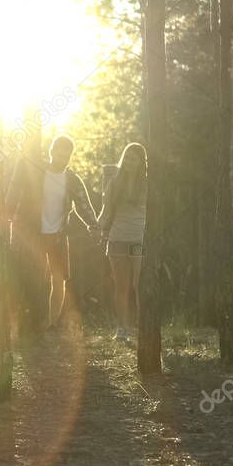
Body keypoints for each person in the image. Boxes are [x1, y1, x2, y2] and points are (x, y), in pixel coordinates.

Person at [7, 135, 100, 333]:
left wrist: (95, 226)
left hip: (58, 235)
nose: (63, 156)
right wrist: (9, 214)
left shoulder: (72, 179)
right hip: (34, 233)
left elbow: (84, 205)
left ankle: (51, 324)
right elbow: (15, 190)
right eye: (60, 151)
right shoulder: (36, 171)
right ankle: (30, 321)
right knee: (36, 277)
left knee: (59, 280)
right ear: (52, 152)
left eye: (67, 153)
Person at [98, 142, 147, 343]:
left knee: (140, 284)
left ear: (141, 163)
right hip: (117, 239)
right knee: (121, 286)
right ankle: (122, 328)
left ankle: (144, 326)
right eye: (126, 157)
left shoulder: (147, 184)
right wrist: (97, 226)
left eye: (133, 159)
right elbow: (106, 212)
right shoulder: (114, 183)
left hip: (139, 239)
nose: (128, 162)